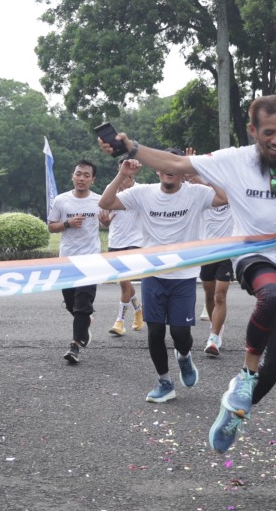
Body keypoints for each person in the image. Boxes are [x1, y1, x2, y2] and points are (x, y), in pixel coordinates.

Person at [99, 94, 276, 452]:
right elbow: (175, 161)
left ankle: (236, 410)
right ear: (254, 130)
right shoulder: (233, 160)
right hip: (254, 256)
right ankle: (245, 374)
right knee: (273, 295)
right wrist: (130, 148)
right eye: (268, 132)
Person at [99, 153, 227, 403]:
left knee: (180, 334)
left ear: (182, 171)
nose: (169, 170)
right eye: (164, 165)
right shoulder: (143, 193)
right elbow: (106, 201)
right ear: (157, 170)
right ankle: (165, 382)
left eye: (176, 166)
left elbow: (224, 197)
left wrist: (200, 171)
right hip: (153, 274)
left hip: (184, 276)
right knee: (155, 331)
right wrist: (123, 175)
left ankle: (184, 357)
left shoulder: (196, 193)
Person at [48, 159, 102, 363]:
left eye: (86, 175)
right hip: (67, 259)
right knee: (71, 301)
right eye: (78, 174)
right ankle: (85, 321)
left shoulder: (99, 200)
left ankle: (75, 345)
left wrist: (106, 221)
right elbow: (51, 226)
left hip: (91, 259)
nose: (81, 178)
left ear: (93, 180)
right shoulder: (61, 200)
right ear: (73, 176)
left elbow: (106, 220)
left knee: (83, 302)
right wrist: (68, 223)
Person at [195, 168, 237, 355]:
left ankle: (213, 338)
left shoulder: (233, 194)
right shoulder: (202, 195)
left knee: (220, 295)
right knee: (210, 295)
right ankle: (216, 329)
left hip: (226, 253)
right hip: (207, 252)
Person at [99, 172, 146, 338]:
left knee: (125, 281)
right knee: (123, 282)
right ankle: (138, 310)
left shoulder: (141, 190)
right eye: (122, 174)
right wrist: (105, 222)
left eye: (128, 176)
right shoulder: (110, 189)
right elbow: (104, 218)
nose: (125, 179)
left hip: (135, 242)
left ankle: (119, 322)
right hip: (115, 242)